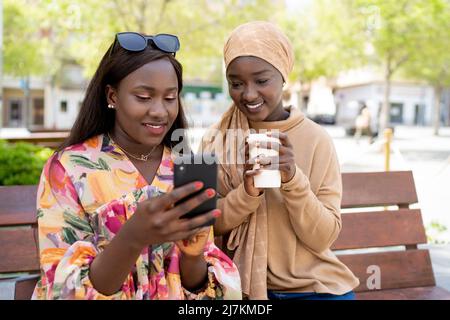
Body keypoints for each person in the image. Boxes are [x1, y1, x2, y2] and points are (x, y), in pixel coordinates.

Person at [32, 31, 241, 300]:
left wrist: (193, 254)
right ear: (112, 96)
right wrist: (132, 236)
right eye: (143, 97)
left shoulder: (186, 165)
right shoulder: (68, 169)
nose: (159, 111)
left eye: (170, 97)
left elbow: (199, 290)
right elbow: (61, 290)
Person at [201, 21, 359, 300]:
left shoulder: (316, 139)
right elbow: (205, 225)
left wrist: (293, 180)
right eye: (236, 83)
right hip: (240, 285)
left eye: (262, 81)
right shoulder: (215, 139)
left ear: (283, 77)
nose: (248, 94)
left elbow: (323, 238)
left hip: (314, 287)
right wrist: (247, 193)